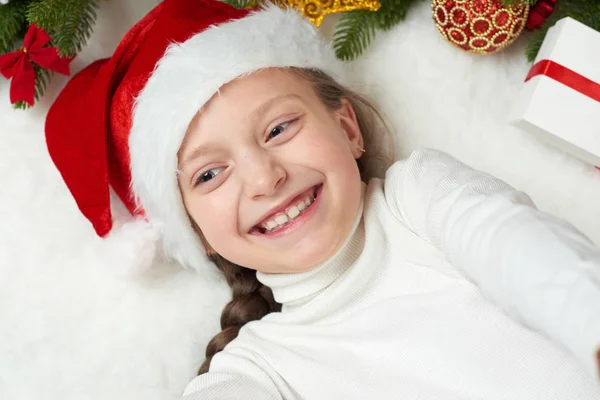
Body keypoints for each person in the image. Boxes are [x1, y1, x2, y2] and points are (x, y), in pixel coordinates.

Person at [45, 0, 600, 398]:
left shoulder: (419, 199)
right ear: (194, 230)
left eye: (279, 128)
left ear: (348, 129)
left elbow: (522, 250)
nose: (264, 178)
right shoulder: (262, 368)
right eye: (210, 174)